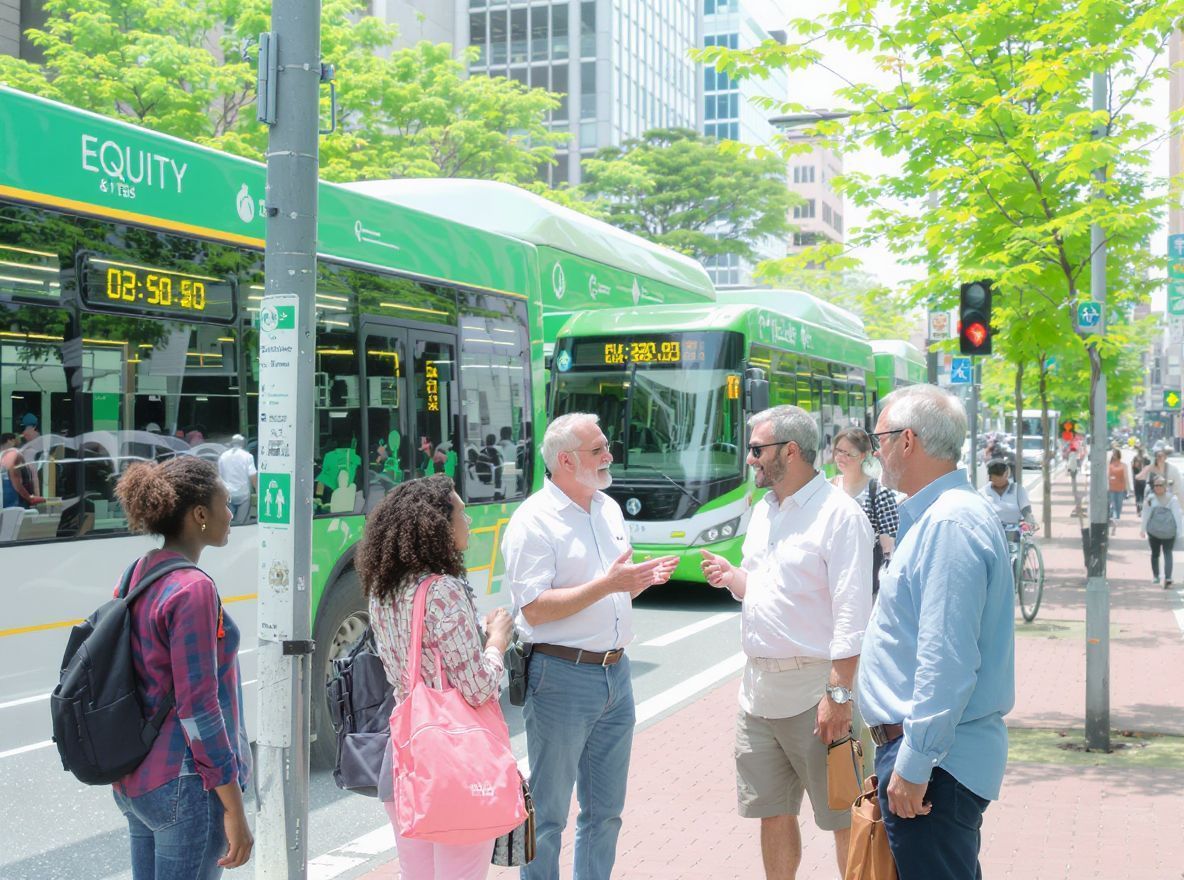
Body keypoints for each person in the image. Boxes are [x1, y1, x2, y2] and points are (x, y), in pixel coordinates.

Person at [501, 412, 678, 880]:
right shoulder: (533, 521)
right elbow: (534, 609)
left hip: (615, 674)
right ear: (564, 460)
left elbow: (611, 589)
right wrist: (610, 584)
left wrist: (635, 583)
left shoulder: (607, 507)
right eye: (597, 449)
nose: (609, 455)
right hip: (561, 676)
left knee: (605, 813)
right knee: (549, 813)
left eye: (605, 446)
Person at [699, 406, 871, 880]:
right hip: (757, 694)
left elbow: (854, 614)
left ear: (791, 451)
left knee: (845, 818)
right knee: (772, 813)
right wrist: (735, 579)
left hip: (817, 692)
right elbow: (769, 585)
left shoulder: (840, 516)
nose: (749, 458)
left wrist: (838, 696)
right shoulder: (764, 510)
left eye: (757, 449)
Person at [858, 385, 1014, 880]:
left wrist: (915, 762)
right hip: (930, 755)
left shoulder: (949, 523)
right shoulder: (942, 516)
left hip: (934, 762)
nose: (874, 450)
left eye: (878, 438)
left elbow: (946, 660)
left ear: (907, 441)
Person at [356, 475, 514, 879]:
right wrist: (496, 642)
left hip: (406, 754)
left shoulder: (382, 590)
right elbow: (479, 687)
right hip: (453, 759)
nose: (469, 522)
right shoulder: (442, 590)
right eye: (461, 513)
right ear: (437, 525)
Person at [110, 456, 252, 879]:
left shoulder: (138, 571)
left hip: (136, 778)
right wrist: (234, 807)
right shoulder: (194, 589)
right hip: (184, 784)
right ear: (199, 515)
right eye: (225, 503)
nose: (231, 514)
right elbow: (199, 709)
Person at [831, 426, 899, 595]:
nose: (842, 457)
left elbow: (891, 542)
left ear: (864, 455)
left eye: (850, 454)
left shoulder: (878, 491)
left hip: (867, 582)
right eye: (839, 451)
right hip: (834, 578)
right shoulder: (829, 487)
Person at [1140, 474, 1183, 588]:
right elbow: (1145, 515)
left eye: (1160, 485)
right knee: (1161, 553)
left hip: (1155, 531)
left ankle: (1162, 577)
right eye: (1156, 485)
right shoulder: (1170, 499)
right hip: (1165, 532)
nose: (1157, 487)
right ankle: (1161, 576)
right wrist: (1142, 529)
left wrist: (1180, 530)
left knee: (1160, 554)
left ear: (1165, 486)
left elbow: (1177, 516)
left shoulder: (1152, 499)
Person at [980, 459, 1035, 530]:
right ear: (990, 477)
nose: (997, 481)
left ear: (1006, 474)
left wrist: (1027, 526)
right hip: (991, 533)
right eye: (994, 478)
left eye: (1000, 477)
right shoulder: (982, 492)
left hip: (1013, 534)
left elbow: (1027, 512)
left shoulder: (1018, 490)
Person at [217, 435, 257, 525]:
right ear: (243, 444)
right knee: (240, 523)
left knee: (229, 523)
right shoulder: (248, 456)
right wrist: (258, 491)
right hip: (243, 495)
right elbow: (253, 476)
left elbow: (219, 476)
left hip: (228, 494)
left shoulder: (223, 456)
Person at [1, 431, 44, 508]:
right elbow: (16, 480)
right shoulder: (14, 453)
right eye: (14, 440)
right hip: (12, 492)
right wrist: (30, 498)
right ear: (9, 440)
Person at [1107, 448, 1131, 535]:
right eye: (1113, 454)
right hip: (1111, 489)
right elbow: (1106, 477)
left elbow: (1126, 478)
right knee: (1113, 506)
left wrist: (1128, 490)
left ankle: (1114, 522)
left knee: (1119, 507)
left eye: (1115, 454)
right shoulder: (1109, 465)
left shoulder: (1123, 465)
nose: (1114, 456)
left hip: (1120, 489)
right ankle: (1113, 526)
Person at [1131, 446, 1150, 514]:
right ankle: (1141, 509)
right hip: (1143, 480)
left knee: (1138, 495)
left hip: (1137, 480)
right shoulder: (1146, 459)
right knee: (1142, 495)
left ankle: (1139, 509)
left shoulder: (1135, 459)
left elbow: (1133, 469)